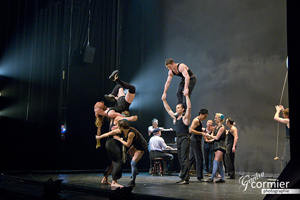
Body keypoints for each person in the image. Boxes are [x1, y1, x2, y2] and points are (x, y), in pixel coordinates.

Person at [94, 103, 138, 187]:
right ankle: (114, 181)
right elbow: (122, 119)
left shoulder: (111, 118)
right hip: (112, 142)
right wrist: (132, 118)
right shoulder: (116, 117)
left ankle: (105, 178)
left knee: (112, 161)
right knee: (118, 161)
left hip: (110, 142)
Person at [96, 119, 148, 188]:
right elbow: (110, 133)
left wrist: (119, 139)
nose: (116, 127)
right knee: (128, 155)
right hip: (135, 144)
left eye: (118, 126)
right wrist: (99, 137)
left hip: (141, 146)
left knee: (133, 163)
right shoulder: (122, 130)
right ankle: (134, 170)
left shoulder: (130, 133)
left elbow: (127, 145)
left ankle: (132, 181)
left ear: (122, 127)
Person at [162, 94, 192, 185]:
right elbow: (168, 110)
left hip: (185, 138)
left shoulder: (185, 118)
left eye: (178, 107)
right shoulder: (176, 117)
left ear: (183, 109)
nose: (176, 109)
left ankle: (186, 179)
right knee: (180, 158)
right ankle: (183, 176)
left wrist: (186, 96)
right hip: (179, 138)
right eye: (176, 107)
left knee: (184, 158)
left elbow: (189, 108)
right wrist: (164, 100)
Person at [205, 113, 227, 183]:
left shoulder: (222, 128)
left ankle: (211, 178)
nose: (215, 119)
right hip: (216, 145)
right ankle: (222, 178)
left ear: (219, 119)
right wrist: (208, 137)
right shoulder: (216, 128)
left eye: (216, 118)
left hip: (220, 146)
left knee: (215, 161)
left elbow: (217, 137)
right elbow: (212, 137)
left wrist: (209, 136)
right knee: (220, 162)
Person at [189, 109, 208, 182]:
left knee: (191, 158)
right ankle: (200, 176)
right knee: (199, 158)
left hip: (195, 140)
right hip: (195, 140)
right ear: (201, 114)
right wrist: (201, 133)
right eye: (204, 116)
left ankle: (183, 173)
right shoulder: (196, 120)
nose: (205, 118)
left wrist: (201, 130)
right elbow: (191, 130)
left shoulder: (199, 121)